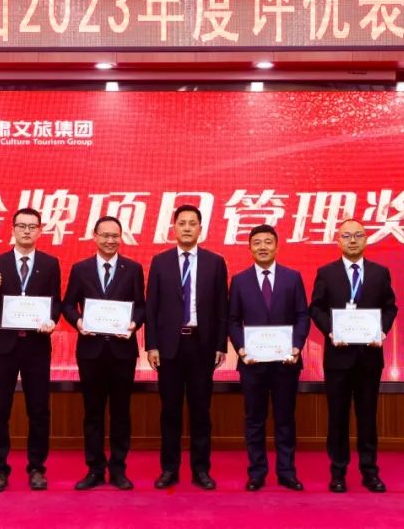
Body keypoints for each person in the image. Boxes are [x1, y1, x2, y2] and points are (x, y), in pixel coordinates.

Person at [0, 208, 61, 493]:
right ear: (12, 229)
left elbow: (55, 302)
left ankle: (37, 468)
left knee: (39, 410)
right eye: (21, 226)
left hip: (36, 346)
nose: (26, 231)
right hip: (3, 348)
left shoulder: (50, 264)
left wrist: (52, 320)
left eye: (32, 226)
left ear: (40, 230)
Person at [308, 218, 397, 494]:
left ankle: (370, 472)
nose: (353, 240)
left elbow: (390, 307)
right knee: (338, 417)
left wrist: (381, 330)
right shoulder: (326, 273)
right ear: (338, 241)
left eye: (358, 235)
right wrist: (331, 331)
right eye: (346, 236)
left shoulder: (380, 273)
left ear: (366, 239)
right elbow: (316, 308)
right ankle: (338, 473)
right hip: (338, 358)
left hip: (369, 358)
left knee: (367, 417)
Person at [145, 204, 228, 490]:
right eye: (182, 223)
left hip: (202, 346)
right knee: (170, 410)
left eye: (193, 223)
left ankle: (201, 470)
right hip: (169, 347)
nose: (187, 228)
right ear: (174, 228)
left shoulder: (215, 262)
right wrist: (152, 345)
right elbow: (152, 306)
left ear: (200, 229)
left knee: (200, 410)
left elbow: (222, 308)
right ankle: (169, 469)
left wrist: (221, 345)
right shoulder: (160, 261)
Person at [61, 216, 146, 491]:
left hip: (122, 352)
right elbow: (67, 305)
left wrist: (133, 324)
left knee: (121, 413)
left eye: (115, 236)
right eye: (105, 235)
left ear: (121, 237)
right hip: (91, 352)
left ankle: (118, 470)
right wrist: (78, 322)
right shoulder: (81, 269)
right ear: (95, 237)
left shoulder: (133, 269)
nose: (111, 240)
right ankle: (95, 469)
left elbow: (141, 306)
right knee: (93, 413)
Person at [227, 224, 309, 491]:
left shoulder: (292, 277)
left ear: (277, 246)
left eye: (268, 242)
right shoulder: (239, 280)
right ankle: (257, 472)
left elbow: (302, 315)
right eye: (257, 242)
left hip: (286, 362)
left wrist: (296, 347)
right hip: (252, 364)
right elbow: (232, 320)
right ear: (249, 248)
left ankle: (287, 472)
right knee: (254, 419)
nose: (262, 246)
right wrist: (241, 349)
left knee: (285, 419)